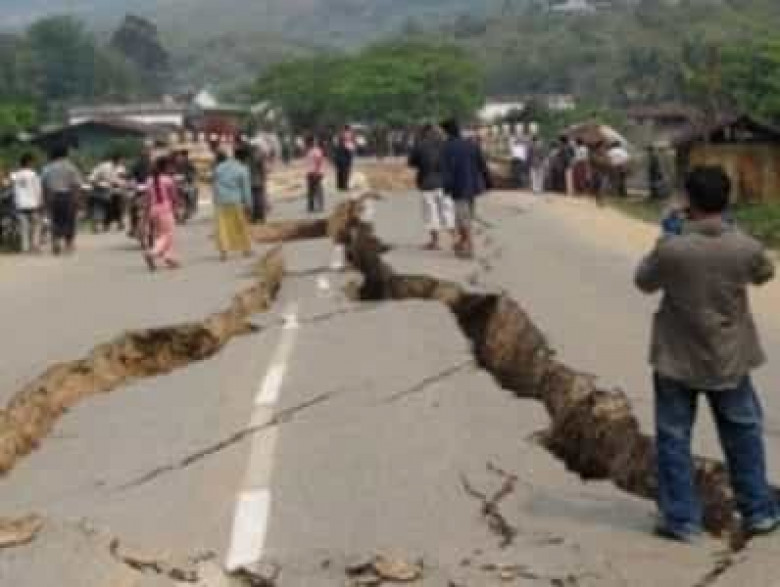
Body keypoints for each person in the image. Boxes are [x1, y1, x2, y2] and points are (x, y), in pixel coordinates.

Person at [635, 165, 779, 543]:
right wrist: (733, 231)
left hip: (676, 357)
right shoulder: (744, 246)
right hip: (729, 357)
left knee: (674, 437)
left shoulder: (672, 249)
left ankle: (682, 519)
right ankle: (758, 511)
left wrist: (667, 236)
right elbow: (764, 273)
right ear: (726, 199)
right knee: (743, 434)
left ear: (689, 200)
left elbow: (643, 281)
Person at [441, 118, 490, 259]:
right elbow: (482, 165)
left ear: (446, 132)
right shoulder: (472, 144)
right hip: (473, 187)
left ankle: (469, 246)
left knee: (463, 218)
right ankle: (462, 242)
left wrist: (446, 188)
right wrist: (488, 182)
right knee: (466, 217)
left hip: (458, 188)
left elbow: (446, 170)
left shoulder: (446, 147)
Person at [408, 124, 454, 251]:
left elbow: (411, 163)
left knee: (430, 214)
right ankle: (455, 239)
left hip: (427, 184)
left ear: (425, 133)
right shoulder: (447, 146)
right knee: (447, 212)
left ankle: (435, 242)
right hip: (445, 184)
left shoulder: (420, 146)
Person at [41, 144, 83, 255]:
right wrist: (77, 200)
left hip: (52, 196)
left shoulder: (47, 168)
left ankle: (55, 241)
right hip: (68, 196)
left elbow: (44, 185)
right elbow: (76, 185)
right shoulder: (71, 167)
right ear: (65, 154)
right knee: (69, 220)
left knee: (55, 219)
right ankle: (69, 244)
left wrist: (45, 200)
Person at [212, 147, 253, 261]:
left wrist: (215, 199)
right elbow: (246, 189)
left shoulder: (219, 167)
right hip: (235, 200)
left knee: (222, 227)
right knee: (240, 225)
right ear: (245, 158)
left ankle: (224, 251)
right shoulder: (242, 169)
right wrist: (248, 204)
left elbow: (214, 184)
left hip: (220, 201)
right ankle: (246, 249)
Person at [143, 156, 180, 271]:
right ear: (166, 167)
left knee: (160, 236)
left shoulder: (149, 180)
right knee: (167, 236)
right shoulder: (168, 180)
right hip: (165, 210)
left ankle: (169, 259)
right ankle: (152, 253)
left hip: (153, 210)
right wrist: (176, 209)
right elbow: (174, 197)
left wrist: (145, 215)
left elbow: (147, 199)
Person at [10, 153, 44, 253]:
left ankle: (25, 247)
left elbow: (11, 186)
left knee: (23, 227)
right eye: (32, 162)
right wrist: (40, 201)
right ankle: (35, 245)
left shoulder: (15, 175)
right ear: (29, 162)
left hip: (20, 204)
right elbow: (38, 190)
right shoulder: (33, 174)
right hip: (32, 204)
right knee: (36, 224)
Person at [305, 136, 326, 213]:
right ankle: (311, 206)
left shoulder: (316, 151)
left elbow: (319, 161)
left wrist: (316, 172)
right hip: (310, 172)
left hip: (316, 172)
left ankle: (320, 206)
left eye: (307, 142)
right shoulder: (309, 151)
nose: (306, 144)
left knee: (318, 190)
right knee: (310, 190)